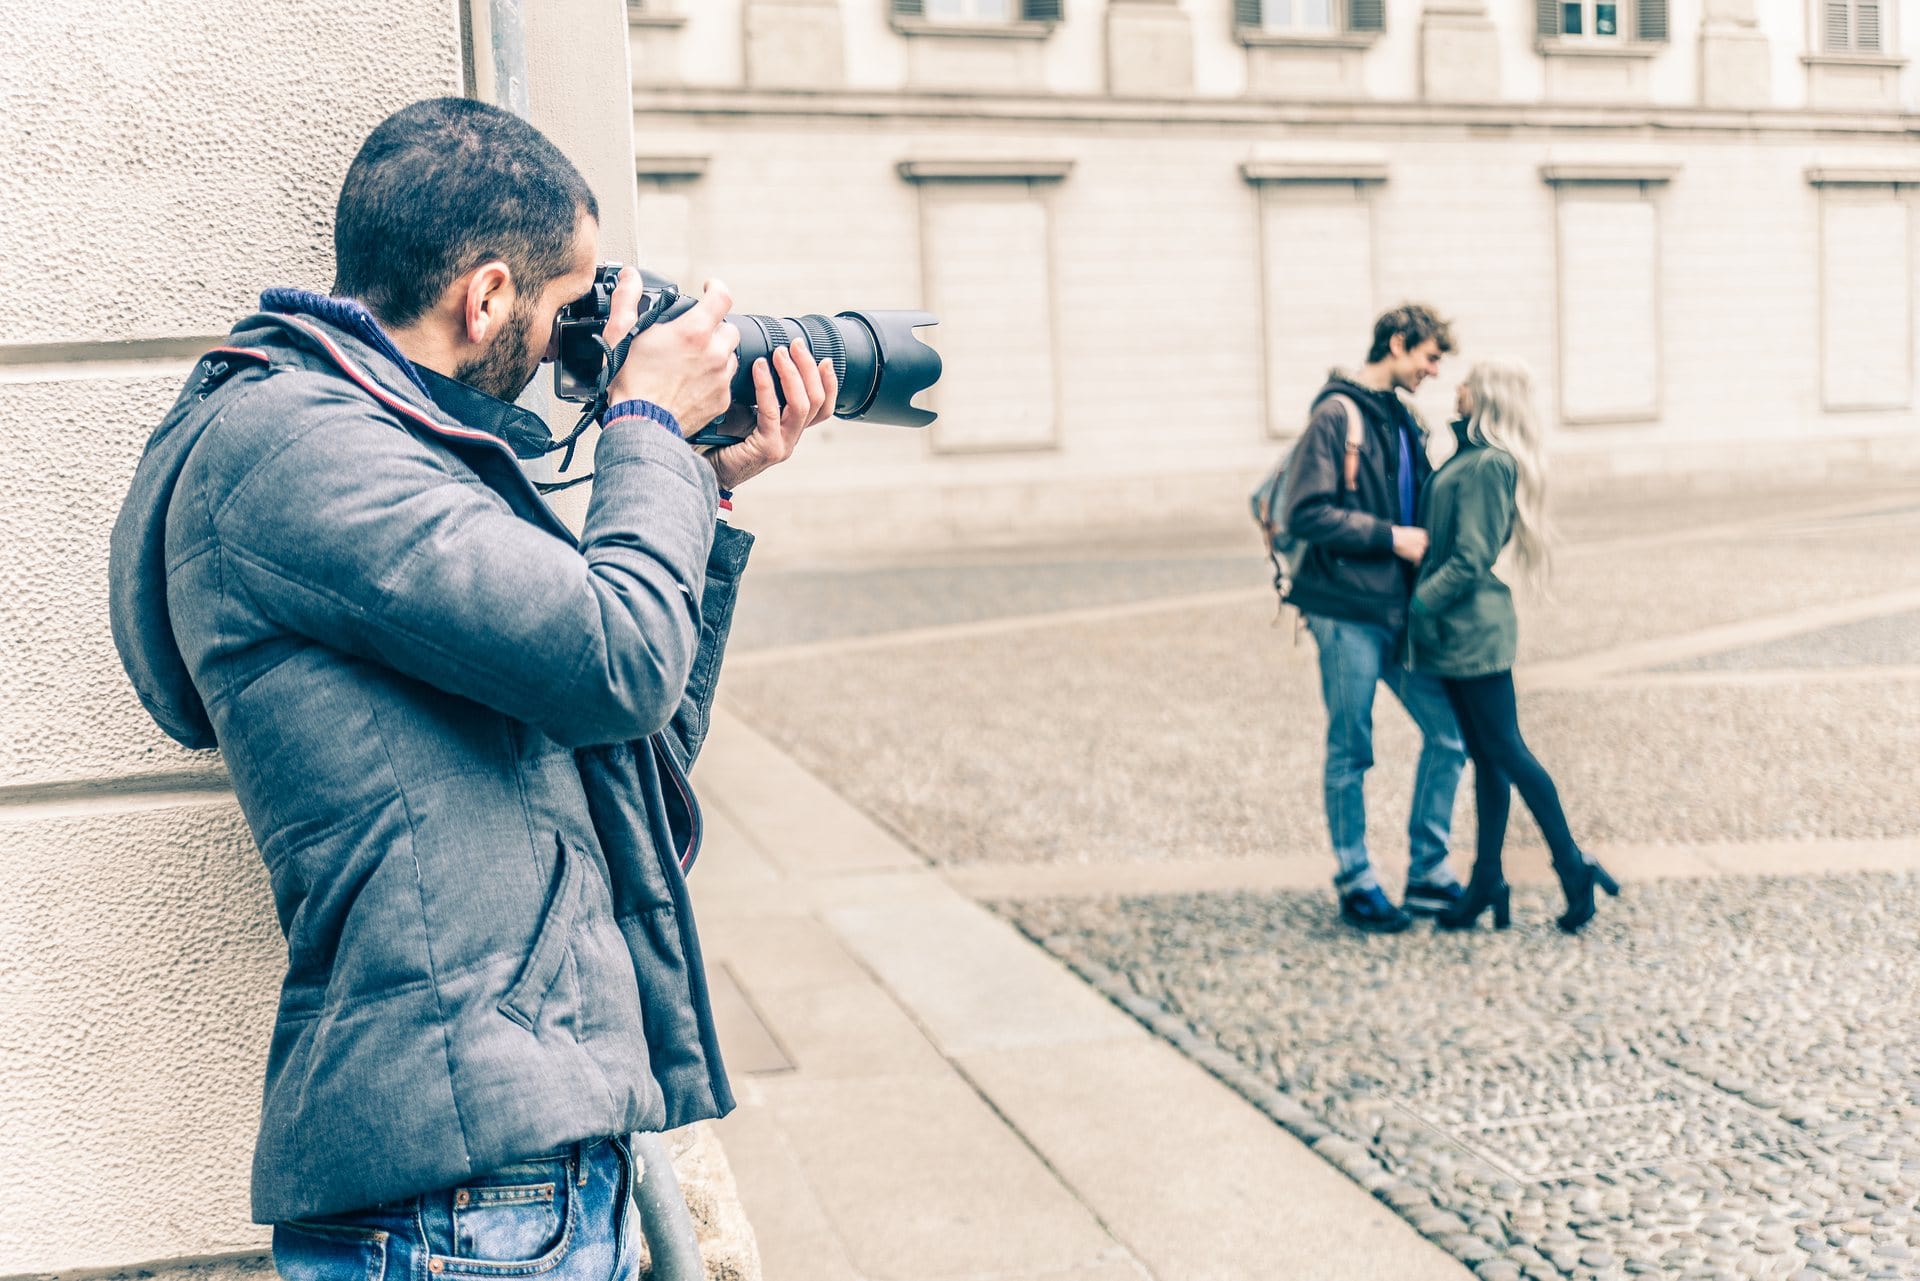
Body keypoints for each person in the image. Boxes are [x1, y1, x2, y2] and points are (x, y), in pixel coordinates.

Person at [106, 97, 837, 1280]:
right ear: (487, 296)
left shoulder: (398, 457)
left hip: (505, 1175)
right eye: (567, 308)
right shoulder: (302, 453)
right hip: (464, 1197)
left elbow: (635, 737)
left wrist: (701, 486)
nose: (572, 348)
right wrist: (645, 421)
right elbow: (620, 660)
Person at [1406, 359, 1619, 933]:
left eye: (1469, 383)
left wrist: (1420, 604)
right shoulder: (1470, 458)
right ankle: (1487, 879)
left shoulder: (1489, 465)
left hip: (1472, 631)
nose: (1459, 388)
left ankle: (1572, 865)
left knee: (1507, 751)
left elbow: (1471, 557)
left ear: (1490, 397)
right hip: (1460, 632)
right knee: (1490, 757)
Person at [1281, 304, 1468, 933]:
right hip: (1346, 612)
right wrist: (1391, 537)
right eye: (1429, 358)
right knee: (1352, 746)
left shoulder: (1404, 418)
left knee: (1450, 735)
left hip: (1400, 612)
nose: (1433, 372)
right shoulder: (1338, 414)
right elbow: (1304, 512)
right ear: (1397, 343)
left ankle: (1428, 870)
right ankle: (1357, 879)